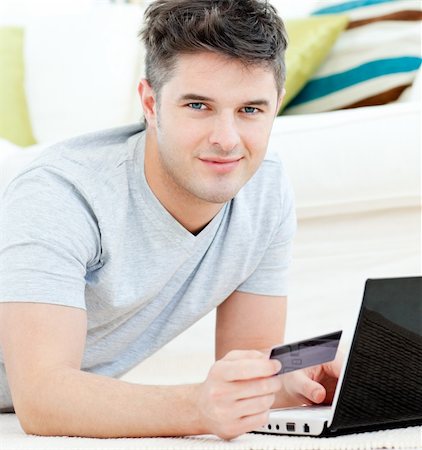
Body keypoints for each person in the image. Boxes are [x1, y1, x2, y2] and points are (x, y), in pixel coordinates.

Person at [0, 0, 341, 440]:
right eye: (198, 105)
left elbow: (247, 365)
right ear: (150, 103)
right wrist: (196, 407)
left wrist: (296, 373)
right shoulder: (61, 193)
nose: (226, 139)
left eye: (250, 110)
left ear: (275, 106)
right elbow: (43, 399)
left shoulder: (265, 193)